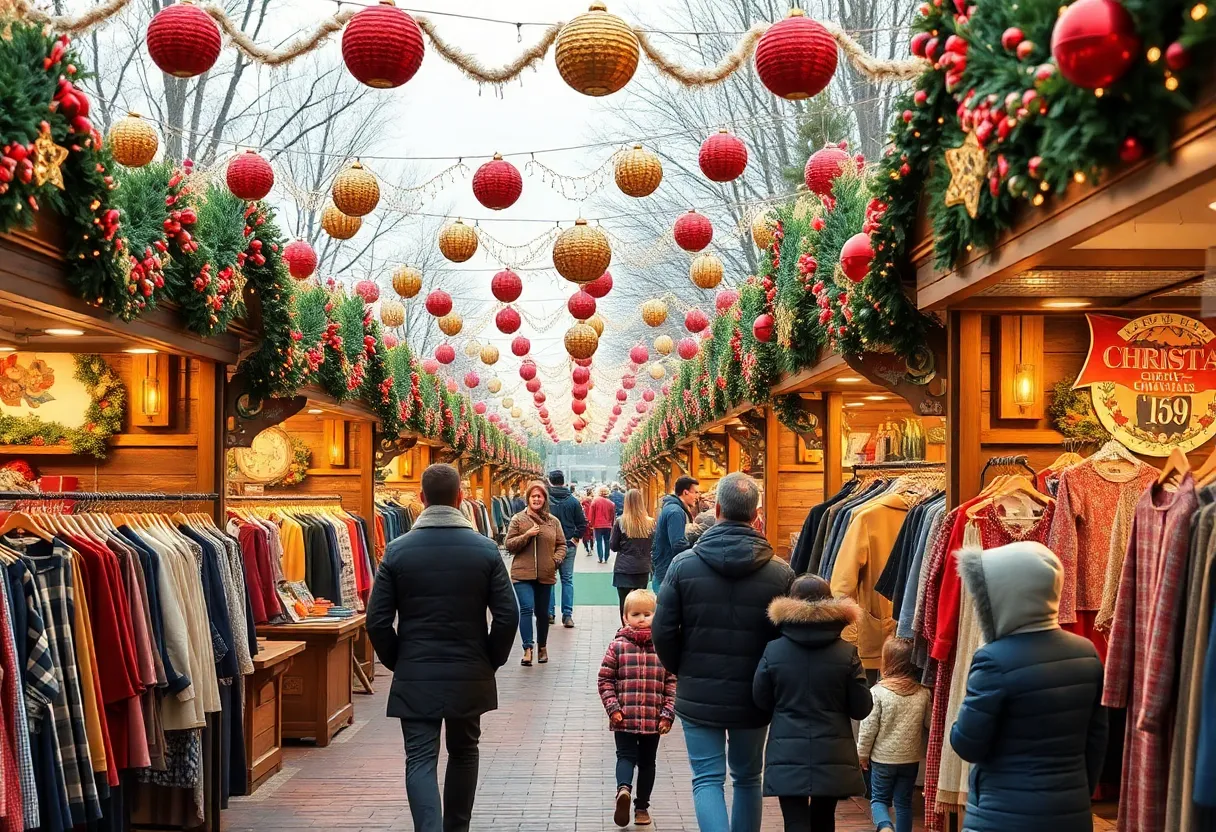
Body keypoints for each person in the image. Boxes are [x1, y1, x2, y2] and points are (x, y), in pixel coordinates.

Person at [366, 463, 519, 832]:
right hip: (470, 670)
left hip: (416, 670)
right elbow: (508, 615)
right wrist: (490, 659)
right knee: (465, 751)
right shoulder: (484, 551)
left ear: (421, 499)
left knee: (419, 757)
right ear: (460, 498)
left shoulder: (398, 552)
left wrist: (399, 658)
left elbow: (377, 621)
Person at [652, 472, 794, 832]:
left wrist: (681, 667)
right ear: (756, 514)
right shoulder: (780, 573)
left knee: (706, 778)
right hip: (755, 692)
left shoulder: (684, 566)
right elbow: (786, 637)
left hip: (699, 690)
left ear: (716, 509)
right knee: (748, 777)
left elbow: (663, 630)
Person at [949, 542, 1107, 832]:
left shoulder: (993, 659)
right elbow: (1096, 742)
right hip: (1070, 814)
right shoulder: (1087, 653)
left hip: (1000, 816)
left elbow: (968, 744)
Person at [753, 574, 872, 832]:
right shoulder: (847, 653)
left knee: (794, 821)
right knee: (824, 819)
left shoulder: (773, 650)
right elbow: (862, 708)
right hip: (833, 752)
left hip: (786, 749)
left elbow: (760, 700)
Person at [598, 589, 676, 829]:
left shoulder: (663, 648)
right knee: (642, 761)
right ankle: (635, 802)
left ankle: (629, 793)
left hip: (653, 719)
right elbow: (605, 680)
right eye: (635, 614)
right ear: (625, 617)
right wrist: (614, 708)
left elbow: (671, 682)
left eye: (647, 614)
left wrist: (667, 713)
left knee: (637, 760)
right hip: (626, 717)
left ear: (657, 615)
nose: (641, 619)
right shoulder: (618, 646)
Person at [857, 638, 931, 832]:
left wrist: (862, 755)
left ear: (887, 661)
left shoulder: (877, 693)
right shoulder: (923, 693)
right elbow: (929, 724)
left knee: (879, 799)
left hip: (882, 759)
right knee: (903, 803)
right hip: (910, 759)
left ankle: (885, 827)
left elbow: (868, 728)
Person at [504, 480, 567, 667]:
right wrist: (527, 535)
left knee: (542, 613)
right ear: (528, 499)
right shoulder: (518, 519)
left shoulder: (553, 521)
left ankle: (542, 647)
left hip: (546, 574)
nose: (537, 499)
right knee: (526, 608)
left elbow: (562, 544)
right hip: (522, 574)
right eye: (533, 496)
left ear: (544, 499)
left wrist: (556, 559)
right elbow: (509, 545)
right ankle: (527, 649)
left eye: (540, 496)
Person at [545, 470, 587, 628]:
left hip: (548, 545)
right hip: (568, 545)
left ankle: (549, 613)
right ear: (563, 481)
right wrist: (575, 538)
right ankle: (567, 615)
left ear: (550, 481)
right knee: (567, 580)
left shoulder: (545, 500)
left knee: (549, 580)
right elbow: (583, 523)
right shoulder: (573, 501)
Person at [610, 488, 655, 618]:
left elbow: (613, 546)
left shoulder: (621, 522)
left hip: (624, 567)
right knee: (640, 603)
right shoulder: (651, 523)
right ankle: (640, 630)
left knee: (624, 603)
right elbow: (653, 544)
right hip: (642, 567)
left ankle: (626, 629)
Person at [651, 475, 700, 591]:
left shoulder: (672, 508)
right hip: (667, 570)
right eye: (695, 492)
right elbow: (678, 543)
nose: (697, 497)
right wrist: (697, 549)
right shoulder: (676, 512)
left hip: (664, 567)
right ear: (685, 492)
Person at [588, 486, 618, 564]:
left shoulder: (595, 501)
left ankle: (600, 558)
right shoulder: (611, 503)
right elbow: (613, 516)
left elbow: (591, 514)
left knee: (599, 541)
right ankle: (606, 557)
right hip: (608, 526)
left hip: (598, 525)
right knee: (607, 541)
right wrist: (611, 525)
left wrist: (591, 523)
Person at [581, 487, 595, 555]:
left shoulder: (583, 502)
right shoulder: (594, 501)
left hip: (584, 520)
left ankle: (587, 549)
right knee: (591, 535)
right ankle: (591, 547)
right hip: (591, 520)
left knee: (585, 535)